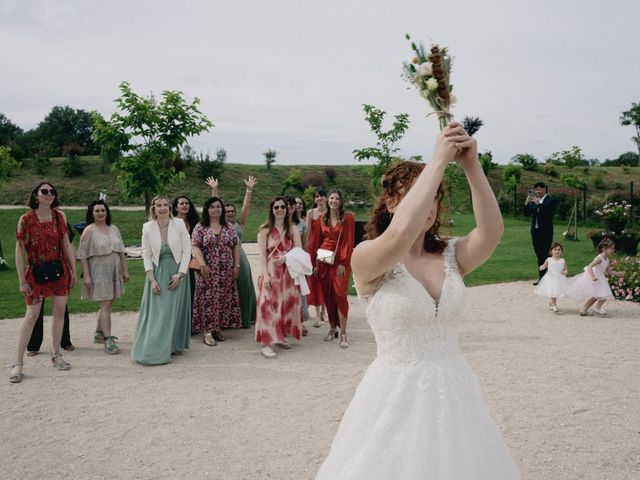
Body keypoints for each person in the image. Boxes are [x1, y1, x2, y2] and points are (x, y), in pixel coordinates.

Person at [315, 124, 521, 479]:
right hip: (395, 396)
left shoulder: (452, 255)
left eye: (433, 196)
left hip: (455, 393)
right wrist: (438, 160)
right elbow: (399, 235)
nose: (427, 204)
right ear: (392, 202)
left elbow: (491, 232)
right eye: (415, 195)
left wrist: (471, 165)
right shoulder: (370, 258)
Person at [10, 182, 77, 383]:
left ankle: (56, 354)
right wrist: (22, 280)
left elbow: (65, 243)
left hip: (59, 270)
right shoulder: (26, 219)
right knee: (31, 315)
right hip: (36, 273)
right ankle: (18, 362)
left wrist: (73, 269)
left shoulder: (60, 216)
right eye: (44, 191)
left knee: (59, 313)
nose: (49, 195)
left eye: (52, 192)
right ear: (36, 195)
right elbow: (19, 251)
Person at [131, 196, 191, 364]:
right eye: (159, 205)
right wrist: (152, 280)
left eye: (165, 205)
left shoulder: (179, 224)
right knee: (160, 312)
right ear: (154, 208)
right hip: (157, 272)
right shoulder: (147, 227)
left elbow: (187, 251)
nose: (163, 208)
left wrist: (180, 274)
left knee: (174, 310)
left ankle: (173, 345)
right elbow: (146, 254)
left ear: (170, 208)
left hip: (177, 271)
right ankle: (153, 348)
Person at [77, 200, 129, 354]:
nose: (100, 213)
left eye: (103, 210)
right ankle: (108, 340)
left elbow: (121, 252)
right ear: (91, 213)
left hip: (114, 268)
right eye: (97, 211)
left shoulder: (114, 229)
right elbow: (83, 255)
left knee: (108, 302)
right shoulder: (88, 230)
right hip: (98, 269)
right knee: (106, 304)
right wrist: (86, 275)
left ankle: (99, 332)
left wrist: (125, 270)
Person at [255, 196, 303, 358]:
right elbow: (261, 254)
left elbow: (299, 252)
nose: (280, 210)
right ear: (271, 210)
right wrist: (265, 275)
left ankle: (279, 336)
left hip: (288, 272)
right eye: (276, 207)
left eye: (283, 207)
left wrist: (286, 258)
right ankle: (266, 342)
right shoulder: (264, 230)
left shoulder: (293, 229)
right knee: (268, 305)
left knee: (284, 305)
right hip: (271, 271)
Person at [207, 176, 257, 329]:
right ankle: (225, 319)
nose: (229, 213)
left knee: (243, 285)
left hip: (240, 258)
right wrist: (214, 189)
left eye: (232, 211)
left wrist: (249, 190)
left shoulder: (239, 223)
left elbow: (246, 207)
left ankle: (245, 318)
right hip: (223, 258)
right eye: (226, 211)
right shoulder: (220, 224)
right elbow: (215, 205)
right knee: (223, 289)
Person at [191, 196, 242, 345]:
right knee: (207, 299)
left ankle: (217, 328)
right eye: (212, 207)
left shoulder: (228, 226)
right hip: (208, 269)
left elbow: (236, 245)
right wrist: (202, 265)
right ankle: (207, 331)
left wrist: (237, 266)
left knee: (222, 298)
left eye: (218, 206)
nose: (216, 209)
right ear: (207, 209)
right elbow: (195, 246)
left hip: (226, 270)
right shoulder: (200, 227)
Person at [309, 189, 355, 348]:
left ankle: (343, 333)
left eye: (337, 198)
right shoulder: (323, 218)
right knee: (328, 296)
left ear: (341, 201)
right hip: (323, 261)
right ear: (328, 201)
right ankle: (332, 328)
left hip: (341, 262)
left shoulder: (348, 217)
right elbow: (317, 241)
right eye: (331, 198)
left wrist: (343, 262)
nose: (333, 201)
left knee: (340, 294)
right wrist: (316, 263)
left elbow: (349, 241)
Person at [27, 218, 76, 356]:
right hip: (39, 267)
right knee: (36, 308)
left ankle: (64, 341)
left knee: (61, 308)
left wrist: (72, 268)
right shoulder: (31, 220)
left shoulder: (60, 218)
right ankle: (33, 345)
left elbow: (69, 243)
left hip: (58, 267)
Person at [568, 238, 622, 316]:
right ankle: (584, 309)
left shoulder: (607, 259)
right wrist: (592, 277)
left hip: (600, 278)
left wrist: (618, 274)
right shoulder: (599, 258)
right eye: (611, 249)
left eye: (613, 249)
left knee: (604, 294)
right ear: (604, 248)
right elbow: (590, 266)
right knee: (596, 296)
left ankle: (597, 308)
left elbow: (608, 271)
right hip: (595, 277)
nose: (613, 251)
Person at [287, 196, 311, 332]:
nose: (291, 206)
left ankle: (300, 322)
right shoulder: (279, 223)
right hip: (284, 262)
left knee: (298, 292)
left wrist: (305, 263)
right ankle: (287, 322)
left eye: (293, 204)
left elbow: (305, 245)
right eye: (289, 204)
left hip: (296, 261)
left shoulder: (301, 224)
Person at [525, 182, 556, 285]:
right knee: (539, 255)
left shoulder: (550, 200)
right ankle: (542, 277)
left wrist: (539, 204)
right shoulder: (534, 201)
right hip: (535, 232)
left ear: (544, 189)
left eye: (539, 189)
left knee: (546, 254)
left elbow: (548, 214)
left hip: (546, 232)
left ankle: (550, 277)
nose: (537, 191)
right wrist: (527, 203)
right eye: (536, 190)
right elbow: (527, 213)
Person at [306, 188, 328, 327]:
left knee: (325, 280)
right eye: (317, 196)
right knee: (314, 281)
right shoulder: (310, 213)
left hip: (325, 248)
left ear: (326, 198)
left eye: (321, 196)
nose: (319, 198)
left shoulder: (330, 212)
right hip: (313, 248)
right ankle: (317, 314)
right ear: (314, 199)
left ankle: (324, 312)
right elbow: (307, 232)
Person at [533, 241, 569, 313]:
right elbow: (544, 266)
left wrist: (564, 272)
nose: (557, 251)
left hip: (559, 279)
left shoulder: (562, 260)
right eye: (555, 249)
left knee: (555, 292)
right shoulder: (549, 259)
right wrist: (542, 267)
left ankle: (551, 303)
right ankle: (554, 305)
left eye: (559, 249)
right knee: (553, 292)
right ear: (551, 251)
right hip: (550, 278)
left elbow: (566, 269)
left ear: (561, 251)